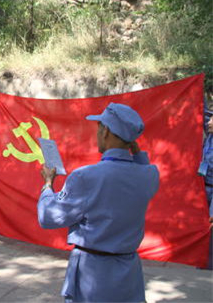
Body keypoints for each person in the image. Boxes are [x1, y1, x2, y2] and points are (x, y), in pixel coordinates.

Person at [37, 102, 159, 302]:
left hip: (92, 276)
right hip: (129, 275)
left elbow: (47, 217)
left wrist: (48, 185)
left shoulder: (85, 177)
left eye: (99, 127)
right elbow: (145, 168)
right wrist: (135, 150)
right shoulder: (149, 175)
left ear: (106, 131)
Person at [198, 109, 213, 270]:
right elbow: (201, 111)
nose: (208, 122)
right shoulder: (209, 136)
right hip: (204, 188)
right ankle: (202, 261)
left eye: (212, 120)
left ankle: (208, 266)